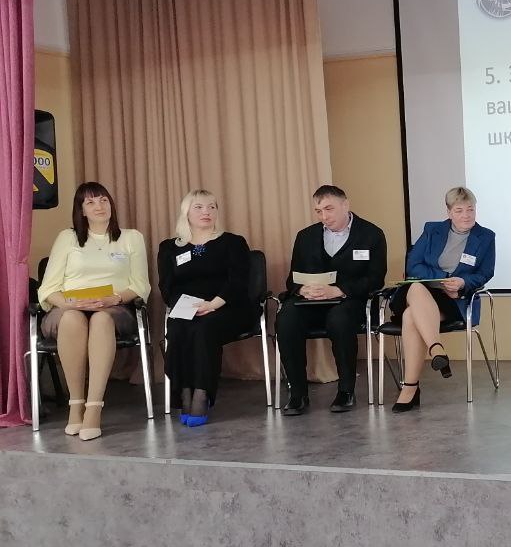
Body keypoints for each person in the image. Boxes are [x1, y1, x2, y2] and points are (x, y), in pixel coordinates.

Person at [35, 182, 150, 441]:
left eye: (103, 200)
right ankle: (76, 405)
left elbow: (140, 284)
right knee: (72, 319)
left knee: (100, 319)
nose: (99, 206)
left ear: (111, 204)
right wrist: (69, 303)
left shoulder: (131, 238)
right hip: (69, 306)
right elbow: (48, 288)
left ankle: (94, 408)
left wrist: (114, 298)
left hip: (114, 307)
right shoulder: (67, 238)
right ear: (81, 210)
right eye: (90, 202)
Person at [276, 185, 387, 414]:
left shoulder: (372, 234)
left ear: (345, 205)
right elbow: (292, 279)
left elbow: (376, 279)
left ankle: (346, 391)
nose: (324, 217)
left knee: (339, 318)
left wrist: (339, 290)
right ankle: (298, 394)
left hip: (350, 301)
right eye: (318, 211)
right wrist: (302, 289)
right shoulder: (305, 236)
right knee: (286, 317)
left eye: (329, 209)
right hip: (311, 302)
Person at [388, 187, 496, 413]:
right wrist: (444, 277)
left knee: (411, 317)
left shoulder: (486, 237)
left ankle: (410, 387)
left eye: (470, 209)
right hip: (422, 291)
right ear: (449, 212)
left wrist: (463, 283)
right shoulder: (432, 230)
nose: (466, 215)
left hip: (453, 299)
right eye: (459, 210)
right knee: (416, 288)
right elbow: (413, 265)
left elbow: (485, 273)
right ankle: (435, 347)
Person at [156, 190, 255, 427]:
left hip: (228, 306)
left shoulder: (233, 242)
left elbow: (238, 281)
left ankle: (201, 394)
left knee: (204, 328)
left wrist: (213, 304)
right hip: (187, 308)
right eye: (199, 207)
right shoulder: (170, 247)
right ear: (186, 212)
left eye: (212, 207)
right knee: (177, 327)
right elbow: (167, 286)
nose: (206, 212)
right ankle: (184, 392)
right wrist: (187, 306)